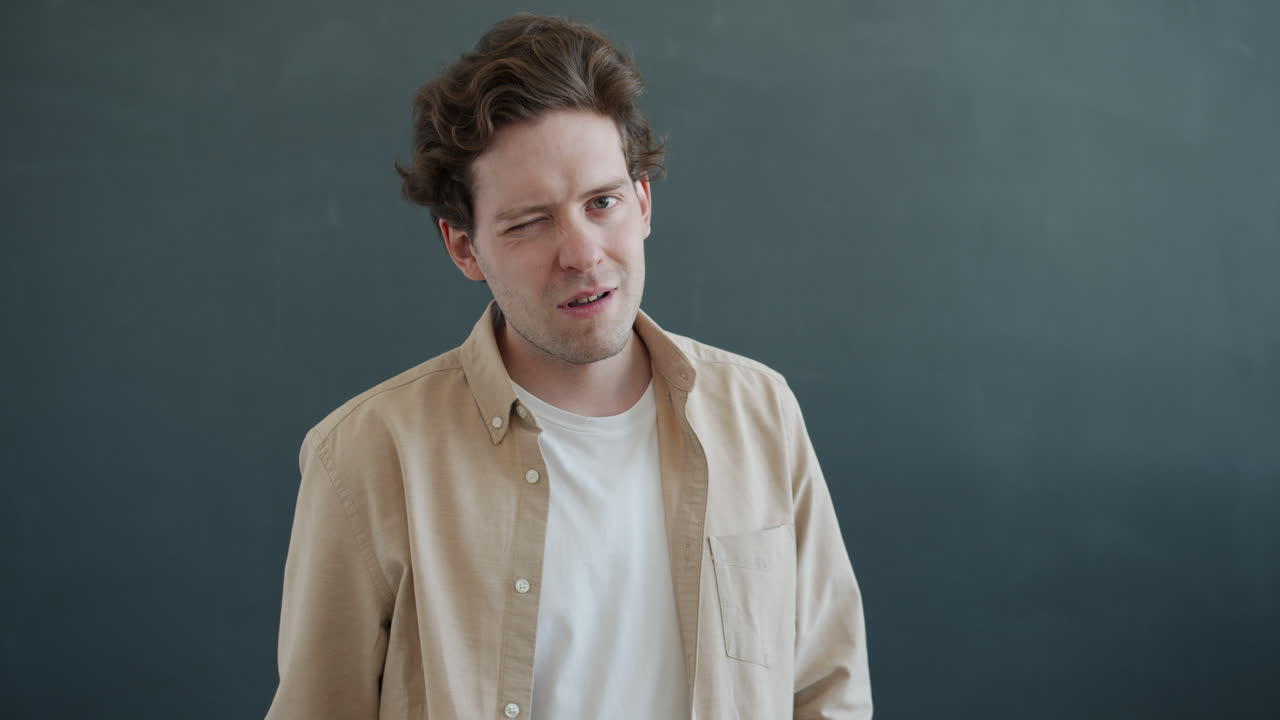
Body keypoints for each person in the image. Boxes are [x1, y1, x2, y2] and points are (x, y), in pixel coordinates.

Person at [266, 12, 871, 720]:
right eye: (529, 223)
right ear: (463, 248)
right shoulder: (367, 457)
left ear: (642, 202)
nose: (582, 254)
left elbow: (829, 690)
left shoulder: (760, 412)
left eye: (602, 202)